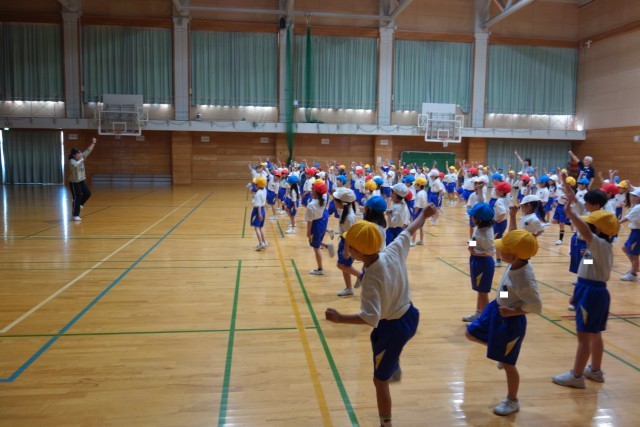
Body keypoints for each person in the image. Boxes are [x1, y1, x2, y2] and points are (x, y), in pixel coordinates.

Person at [325, 204, 438, 427]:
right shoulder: (393, 249)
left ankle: (386, 424)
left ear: (357, 252)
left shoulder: (370, 279)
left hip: (393, 328)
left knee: (379, 381)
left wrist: (340, 318)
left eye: (348, 244)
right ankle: (392, 363)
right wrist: (424, 215)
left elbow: (370, 318)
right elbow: (410, 230)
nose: (346, 246)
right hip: (410, 315)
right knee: (375, 341)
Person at [552, 174, 620, 389]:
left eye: (591, 225)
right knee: (595, 333)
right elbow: (589, 269)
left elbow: (583, 229)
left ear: (598, 230)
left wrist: (570, 213)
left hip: (591, 292)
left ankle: (577, 375)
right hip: (590, 289)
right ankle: (596, 371)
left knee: (583, 337)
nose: (586, 227)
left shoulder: (598, 243)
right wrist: (577, 292)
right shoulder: (600, 246)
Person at [465, 229, 542, 416]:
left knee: (509, 365)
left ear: (514, 256)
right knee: (470, 333)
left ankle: (512, 400)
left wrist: (513, 311)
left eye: (504, 250)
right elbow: (508, 287)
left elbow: (536, 306)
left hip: (510, 321)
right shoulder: (516, 263)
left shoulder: (525, 278)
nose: (499, 251)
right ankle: (498, 351)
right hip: (496, 308)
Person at [464, 202, 496, 323]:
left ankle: (486, 320)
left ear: (479, 219)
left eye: (473, 216)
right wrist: (471, 246)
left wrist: (475, 253)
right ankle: (478, 314)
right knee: (480, 290)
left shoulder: (486, 234)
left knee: (483, 293)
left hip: (484, 263)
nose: (471, 218)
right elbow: (474, 238)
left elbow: (491, 252)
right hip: (476, 260)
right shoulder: (480, 228)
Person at [332, 187, 360, 296]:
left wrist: (346, 249)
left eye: (336, 200)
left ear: (342, 203)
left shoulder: (349, 217)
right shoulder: (345, 209)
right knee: (344, 265)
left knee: (341, 265)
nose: (334, 202)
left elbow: (349, 235)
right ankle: (349, 288)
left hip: (349, 243)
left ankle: (362, 276)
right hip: (345, 241)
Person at [306, 180, 335, 275]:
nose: (310, 191)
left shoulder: (311, 205)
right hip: (322, 220)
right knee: (317, 240)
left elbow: (309, 221)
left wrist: (308, 231)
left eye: (312, 189)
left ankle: (320, 269)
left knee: (316, 247)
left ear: (315, 192)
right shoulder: (324, 197)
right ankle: (326, 245)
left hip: (315, 224)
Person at [68, 137, 97, 221]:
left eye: (80, 152)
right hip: (74, 182)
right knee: (77, 197)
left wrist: (93, 143)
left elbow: (88, 150)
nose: (80, 154)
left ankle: (80, 204)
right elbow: (75, 165)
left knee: (87, 193)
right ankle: (75, 215)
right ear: (74, 155)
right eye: (78, 153)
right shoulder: (72, 161)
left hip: (81, 181)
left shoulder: (81, 156)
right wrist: (81, 160)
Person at [620, 186, 640, 282]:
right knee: (625, 248)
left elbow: (626, 218)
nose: (631, 197)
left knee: (634, 254)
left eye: (634, 196)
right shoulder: (636, 206)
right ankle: (635, 267)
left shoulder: (638, 208)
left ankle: (633, 274)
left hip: (637, 233)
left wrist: (614, 224)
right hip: (634, 232)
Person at [250, 176, 268, 251]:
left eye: (255, 184)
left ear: (258, 185)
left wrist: (259, 214)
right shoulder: (264, 190)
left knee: (257, 228)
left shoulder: (258, 194)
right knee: (260, 227)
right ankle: (264, 242)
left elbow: (258, 205)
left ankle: (260, 243)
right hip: (263, 210)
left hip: (258, 211)